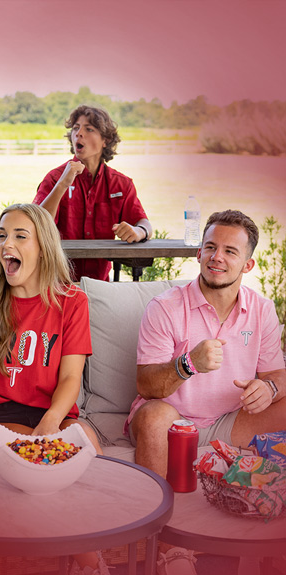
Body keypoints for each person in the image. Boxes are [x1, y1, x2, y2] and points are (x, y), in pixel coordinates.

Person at [126, 209, 286, 574]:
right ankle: (167, 548)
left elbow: (278, 374)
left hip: (231, 419)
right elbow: (147, 386)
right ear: (198, 253)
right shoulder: (165, 308)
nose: (217, 257)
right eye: (210, 247)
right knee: (152, 417)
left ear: (248, 264)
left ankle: (272, 546)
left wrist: (270, 387)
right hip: (172, 417)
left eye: (231, 251)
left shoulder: (261, 310)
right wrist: (188, 363)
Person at [0, 203, 108, 575]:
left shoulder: (72, 301)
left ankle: (82, 557)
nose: (7, 243)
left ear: (43, 248)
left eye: (21, 236)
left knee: (93, 457)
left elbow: (71, 378)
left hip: (54, 411)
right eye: (2, 235)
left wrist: (51, 423)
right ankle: (93, 565)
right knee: (38, 461)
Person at [33, 105, 152, 282]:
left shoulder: (121, 184)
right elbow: (36, 226)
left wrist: (137, 231)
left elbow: (145, 224)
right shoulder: (54, 179)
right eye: (75, 128)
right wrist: (62, 185)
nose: (79, 133)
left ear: (106, 140)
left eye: (89, 129)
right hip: (56, 285)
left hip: (101, 286)